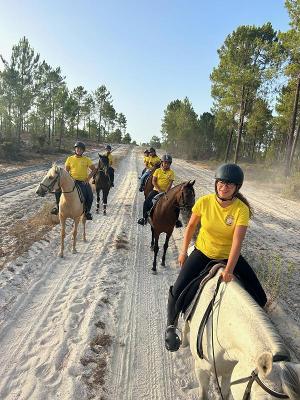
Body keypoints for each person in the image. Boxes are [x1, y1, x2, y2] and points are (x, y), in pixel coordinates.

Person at [165, 163, 267, 352]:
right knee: (178, 287)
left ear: (237, 188)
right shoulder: (204, 202)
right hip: (203, 252)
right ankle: (171, 326)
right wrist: (183, 251)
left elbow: (237, 242)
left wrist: (229, 269)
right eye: (220, 182)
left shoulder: (240, 210)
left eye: (229, 184)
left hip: (227, 256)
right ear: (216, 184)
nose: (224, 186)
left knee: (260, 297)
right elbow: (190, 228)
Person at [51, 141, 96, 220]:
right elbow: (66, 171)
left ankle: (87, 212)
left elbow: (94, 170)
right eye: (77, 148)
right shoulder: (70, 159)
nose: (79, 150)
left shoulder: (86, 159)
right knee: (57, 191)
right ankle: (58, 207)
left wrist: (88, 178)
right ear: (75, 149)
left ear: (83, 151)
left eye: (80, 149)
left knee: (90, 196)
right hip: (72, 181)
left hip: (83, 182)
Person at [137, 154, 182, 227]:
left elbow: (170, 183)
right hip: (156, 190)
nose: (166, 164)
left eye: (168, 163)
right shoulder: (157, 171)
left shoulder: (171, 173)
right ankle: (144, 218)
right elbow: (154, 181)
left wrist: (166, 192)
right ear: (162, 163)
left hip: (167, 191)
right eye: (165, 162)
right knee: (146, 202)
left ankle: (176, 221)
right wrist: (159, 190)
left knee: (176, 204)